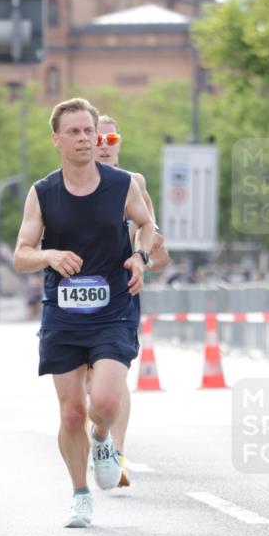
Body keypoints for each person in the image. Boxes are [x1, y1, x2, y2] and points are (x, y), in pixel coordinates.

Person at [13, 98, 155, 528]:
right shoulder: (43, 193)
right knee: (72, 411)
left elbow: (147, 226)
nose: (83, 139)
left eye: (88, 131)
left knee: (106, 402)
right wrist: (50, 255)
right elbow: (21, 255)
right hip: (64, 314)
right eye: (73, 132)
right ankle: (80, 495)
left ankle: (103, 439)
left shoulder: (122, 184)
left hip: (113, 308)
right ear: (56, 139)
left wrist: (140, 258)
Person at [93, 114, 170, 486]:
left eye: (112, 137)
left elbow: (157, 245)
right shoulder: (65, 184)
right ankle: (99, 439)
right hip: (79, 293)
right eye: (98, 137)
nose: (105, 144)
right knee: (90, 382)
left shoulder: (133, 184)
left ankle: (116, 454)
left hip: (120, 293)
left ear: (119, 143)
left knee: (115, 374)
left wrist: (141, 259)